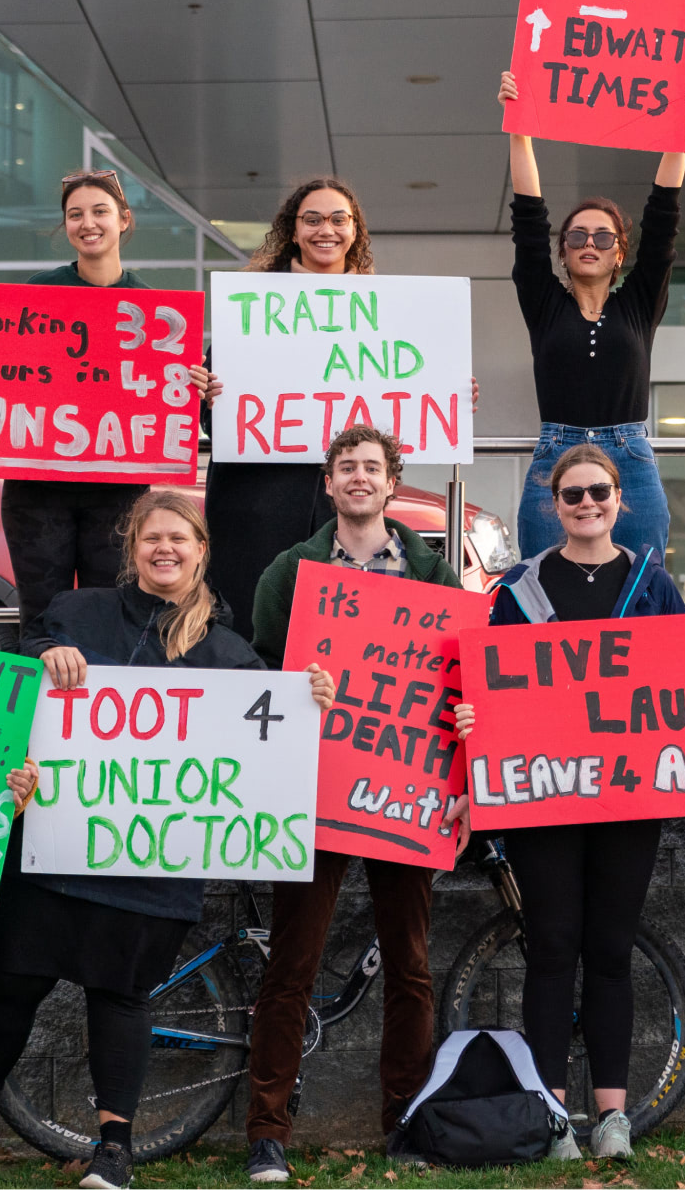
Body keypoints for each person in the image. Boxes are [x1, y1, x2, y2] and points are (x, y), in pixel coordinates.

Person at [0, 491, 334, 1190]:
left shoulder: (229, 652)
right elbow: (15, 670)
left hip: (152, 862)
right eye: (153, 537)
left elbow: (269, 739)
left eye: (179, 539)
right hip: (55, 846)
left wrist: (311, 698)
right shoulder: (77, 612)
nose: (166, 549)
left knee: (121, 996)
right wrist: (45, 653)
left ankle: (114, 1148)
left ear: (200, 550)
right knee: (11, 984)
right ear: (133, 549)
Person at [452, 443, 685, 1161]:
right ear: (553, 506)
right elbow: (485, 684)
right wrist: (471, 717)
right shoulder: (517, 589)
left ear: (621, 500)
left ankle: (611, 1117)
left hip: (627, 798)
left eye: (599, 492)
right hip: (541, 800)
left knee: (611, 948)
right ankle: (555, 1114)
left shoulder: (654, 585)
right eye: (573, 494)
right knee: (553, 948)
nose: (586, 504)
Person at [241, 426, 465, 1185]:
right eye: (348, 468)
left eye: (373, 467)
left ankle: (403, 1118)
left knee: (411, 964)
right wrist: (301, 684)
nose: (360, 478)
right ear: (329, 483)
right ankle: (267, 1132)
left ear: (393, 481)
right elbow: (263, 669)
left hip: (406, 790)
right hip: (316, 787)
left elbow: (459, 681)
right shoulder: (291, 570)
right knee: (292, 964)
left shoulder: (435, 575)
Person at [497, 70, 685, 560]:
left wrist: (681, 123)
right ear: (563, 252)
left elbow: (662, 220)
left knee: (640, 591)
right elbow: (528, 218)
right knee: (543, 589)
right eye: (576, 236)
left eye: (603, 237)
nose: (589, 243)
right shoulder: (544, 303)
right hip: (557, 457)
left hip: (629, 459)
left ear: (619, 255)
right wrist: (519, 127)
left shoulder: (638, 303)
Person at [188, 178, 371, 643]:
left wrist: (452, 391)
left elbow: (403, 414)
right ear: (293, 230)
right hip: (255, 503)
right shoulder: (249, 305)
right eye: (311, 220)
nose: (324, 230)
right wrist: (207, 394)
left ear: (355, 230)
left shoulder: (383, 308)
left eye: (337, 219)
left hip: (341, 500)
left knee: (336, 640)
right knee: (252, 632)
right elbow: (215, 419)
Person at [0, 171, 161, 646]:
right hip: (36, 491)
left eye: (99, 211)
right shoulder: (37, 292)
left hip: (116, 493)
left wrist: (190, 385)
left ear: (124, 219)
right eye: (75, 215)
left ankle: (96, 720)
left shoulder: (153, 307)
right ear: (65, 225)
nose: (87, 223)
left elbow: (163, 400)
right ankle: (39, 721)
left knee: (110, 618)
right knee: (41, 619)